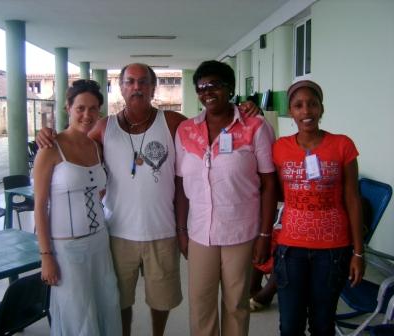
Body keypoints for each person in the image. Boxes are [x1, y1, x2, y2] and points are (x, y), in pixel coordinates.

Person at [37, 63, 262, 336]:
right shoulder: (103, 128)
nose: (137, 87)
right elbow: (75, 143)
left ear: (153, 88)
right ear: (120, 88)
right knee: (120, 301)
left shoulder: (173, 122)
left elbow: (208, 124)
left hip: (162, 231)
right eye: (130, 82)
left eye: (144, 82)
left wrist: (245, 109)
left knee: (162, 300)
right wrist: (47, 134)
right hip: (118, 233)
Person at [174, 60, 278, 336]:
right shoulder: (186, 131)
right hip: (200, 233)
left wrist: (265, 235)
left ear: (230, 88)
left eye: (215, 85)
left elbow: (269, 183)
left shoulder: (255, 127)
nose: (207, 92)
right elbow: (181, 183)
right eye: (201, 87)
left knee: (236, 305)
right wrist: (181, 230)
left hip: (241, 233)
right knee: (201, 305)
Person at [272, 80, 365, 336]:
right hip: (291, 249)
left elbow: (353, 198)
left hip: (333, 250)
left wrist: (358, 252)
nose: (306, 111)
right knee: (290, 325)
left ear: (321, 109)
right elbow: (274, 191)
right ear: (291, 111)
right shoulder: (279, 148)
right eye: (298, 105)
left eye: (312, 104)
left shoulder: (342, 145)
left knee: (322, 325)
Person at [34, 79, 122, 335]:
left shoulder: (96, 146)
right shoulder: (50, 149)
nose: (87, 115)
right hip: (67, 248)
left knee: (107, 304)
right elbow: (39, 207)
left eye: (93, 109)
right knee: (77, 315)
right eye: (80, 108)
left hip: (99, 241)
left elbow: (99, 190)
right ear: (68, 108)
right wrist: (46, 256)